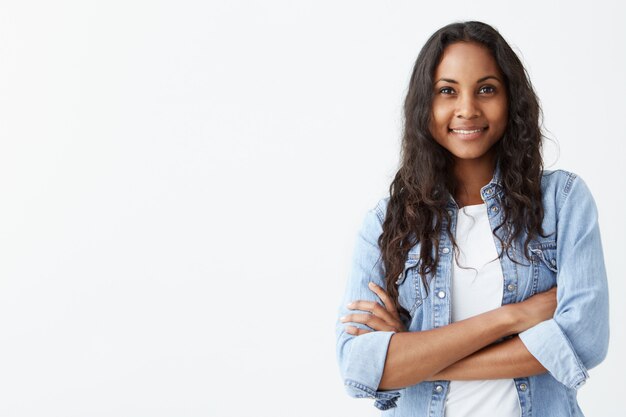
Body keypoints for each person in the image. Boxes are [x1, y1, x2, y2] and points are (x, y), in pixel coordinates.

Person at [335, 21, 609, 417]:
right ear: (424, 106)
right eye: (447, 91)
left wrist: (412, 359)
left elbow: (585, 340)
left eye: (486, 89)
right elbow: (357, 366)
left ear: (511, 99)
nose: (467, 109)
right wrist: (509, 319)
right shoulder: (386, 224)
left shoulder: (563, 202)